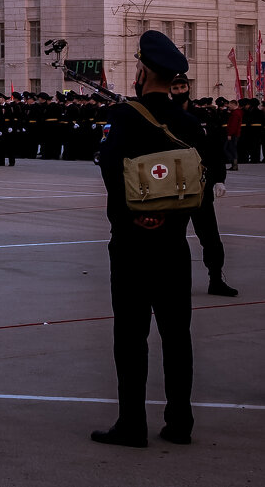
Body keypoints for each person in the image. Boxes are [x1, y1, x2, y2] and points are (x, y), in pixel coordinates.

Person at [93, 30, 204, 448]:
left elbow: (110, 171)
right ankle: (180, 422)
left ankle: (132, 424)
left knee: (131, 335)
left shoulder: (125, 117)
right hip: (175, 244)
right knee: (177, 336)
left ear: (142, 71)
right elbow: (200, 183)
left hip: (132, 244)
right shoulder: (189, 123)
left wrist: (140, 218)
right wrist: (171, 220)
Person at [171, 75, 238, 297]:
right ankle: (174, 283)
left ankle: (216, 279)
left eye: (183, 86)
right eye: (175, 87)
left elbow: (214, 150)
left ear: (188, 87)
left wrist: (220, 178)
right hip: (173, 185)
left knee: (209, 235)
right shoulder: (165, 115)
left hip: (200, 184)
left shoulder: (203, 115)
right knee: (173, 238)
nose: (180, 90)